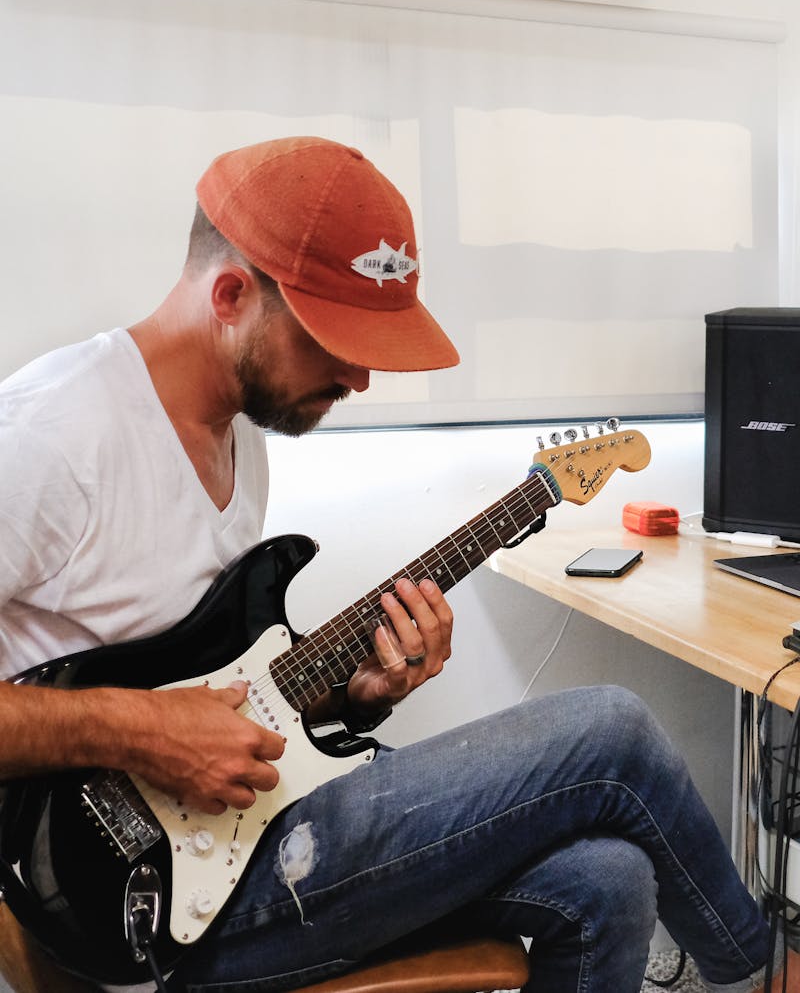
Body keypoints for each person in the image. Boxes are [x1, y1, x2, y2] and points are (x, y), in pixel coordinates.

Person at [0, 135, 795, 993]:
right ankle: (766, 976)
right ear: (231, 294)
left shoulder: (243, 433)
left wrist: (354, 693)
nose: (361, 376)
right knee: (613, 730)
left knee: (609, 881)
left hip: (249, 831)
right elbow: (168, 720)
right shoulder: (54, 438)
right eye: (334, 340)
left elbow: (221, 690)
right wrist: (144, 731)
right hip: (130, 902)